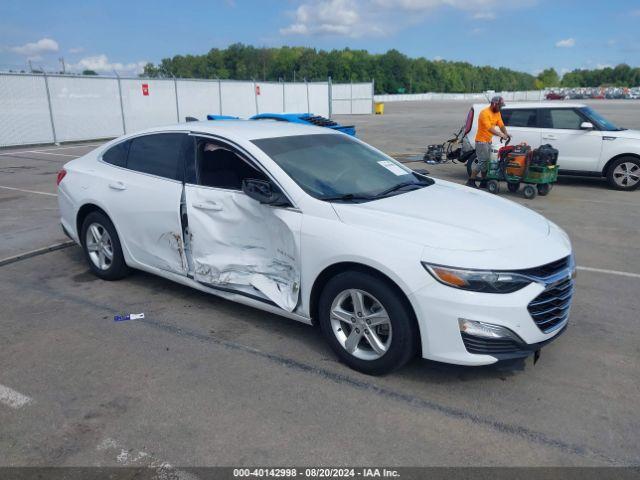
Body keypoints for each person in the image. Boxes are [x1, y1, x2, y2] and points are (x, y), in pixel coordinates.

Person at [466, 96, 510, 188]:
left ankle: (483, 182)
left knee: (486, 162)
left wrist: (506, 133)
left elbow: (501, 124)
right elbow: (489, 128)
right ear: (494, 104)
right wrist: (501, 135)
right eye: (499, 106)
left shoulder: (497, 113)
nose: (500, 108)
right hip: (481, 142)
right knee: (482, 162)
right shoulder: (484, 113)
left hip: (488, 141)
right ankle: (471, 181)